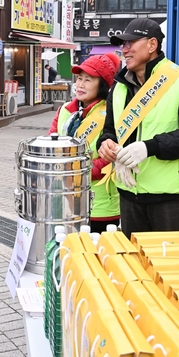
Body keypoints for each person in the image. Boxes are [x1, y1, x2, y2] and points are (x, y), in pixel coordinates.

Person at [97, 18, 179, 237]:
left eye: (131, 43)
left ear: (152, 45)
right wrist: (105, 144)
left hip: (168, 197)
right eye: (122, 45)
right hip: (128, 192)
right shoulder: (118, 87)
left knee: (166, 265)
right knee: (135, 266)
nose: (125, 49)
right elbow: (110, 130)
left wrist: (149, 147)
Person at [48, 53, 121, 233]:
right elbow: (51, 142)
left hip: (100, 204)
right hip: (65, 199)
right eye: (79, 78)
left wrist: (78, 174)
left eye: (88, 80)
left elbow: (110, 158)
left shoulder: (113, 112)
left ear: (102, 84)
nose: (80, 84)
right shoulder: (65, 110)